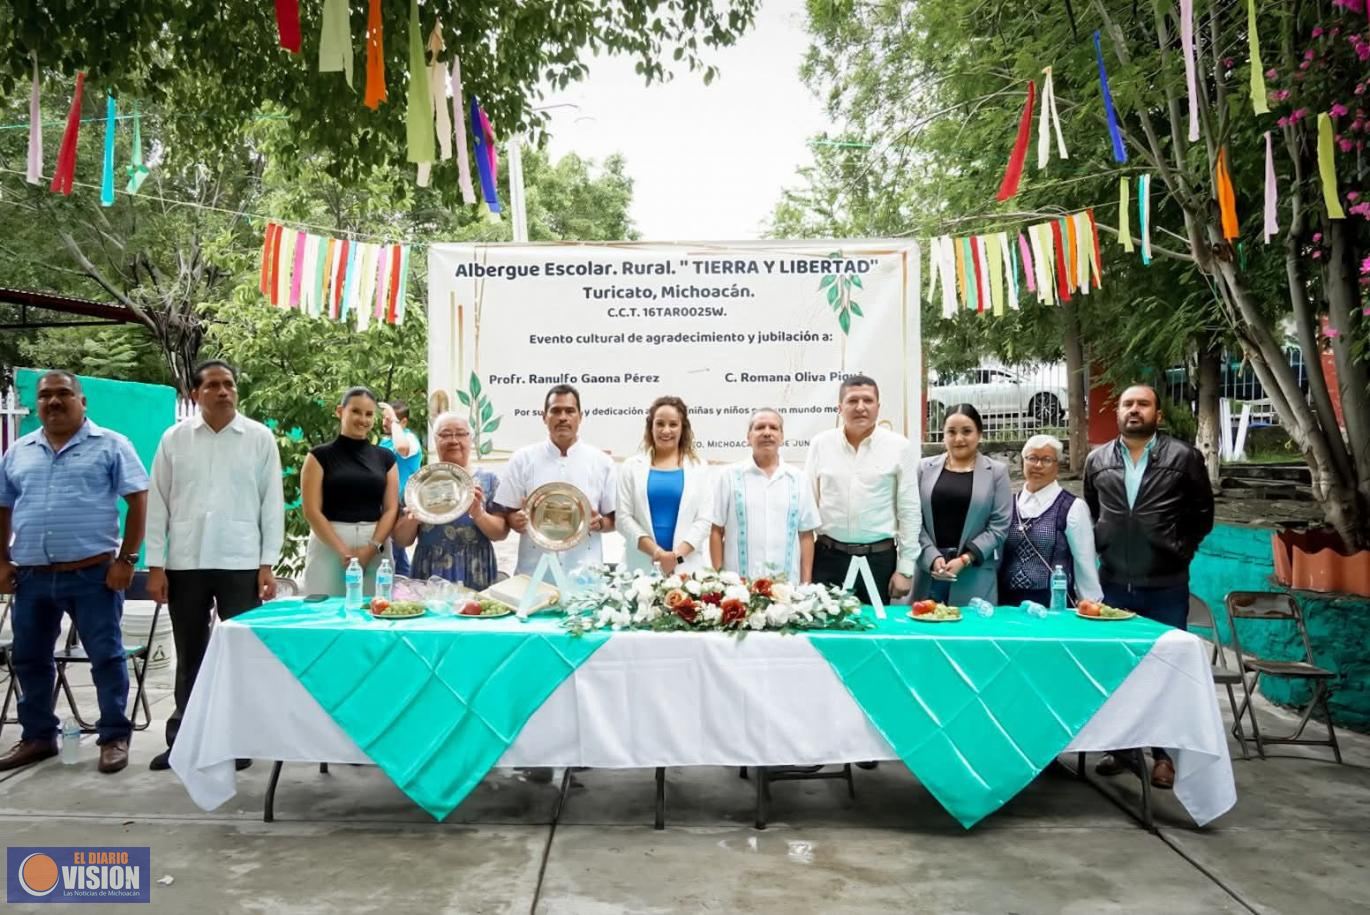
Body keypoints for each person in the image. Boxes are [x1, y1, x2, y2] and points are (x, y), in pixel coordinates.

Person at [0, 370, 148, 774]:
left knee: (106, 657)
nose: (54, 401)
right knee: (30, 658)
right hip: (30, 576)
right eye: (46, 395)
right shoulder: (19, 450)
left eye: (64, 393)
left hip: (94, 575)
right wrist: (1, 560)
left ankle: (114, 735)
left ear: (83, 402)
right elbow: (3, 507)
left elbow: (138, 502)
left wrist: (127, 561)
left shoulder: (111, 445)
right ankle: (38, 737)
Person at [143, 360, 284, 772]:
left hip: (241, 561)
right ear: (194, 394)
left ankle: (238, 740)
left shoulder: (258, 438)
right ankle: (182, 740)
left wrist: (266, 563)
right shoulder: (175, 439)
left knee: (239, 653)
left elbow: (271, 504)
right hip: (185, 562)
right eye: (214, 386)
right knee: (191, 653)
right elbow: (158, 504)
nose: (223, 392)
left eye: (229, 385)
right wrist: (155, 565)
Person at [1084, 384, 1215, 790]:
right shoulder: (1097, 460)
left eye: (1143, 404)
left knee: (1166, 670)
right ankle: (1121, 749)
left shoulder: (1184, 457)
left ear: (1158, 414)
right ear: (1118, 412)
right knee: (1118, 669)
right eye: (1127, 404)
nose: (1134, 410)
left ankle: (1163, 755)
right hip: (1114, 584)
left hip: (1165, 584)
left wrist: (1180, 549)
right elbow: (1092, 511)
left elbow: (1202, 514)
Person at [805, 374, 920, 605]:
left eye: (867, 401)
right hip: (828, 559)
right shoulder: (821, 444)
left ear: (878, 407)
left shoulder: (899, 447)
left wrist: (906, 569)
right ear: (840, 407)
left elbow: (909, 510)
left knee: (876, 633)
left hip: (878, 560)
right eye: (852, 401)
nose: (860, 407)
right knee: (825, 633)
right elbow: (807, 508)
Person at [496, 384, 616, 576]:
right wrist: (515, 520)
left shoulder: (601, 462)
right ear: (544, 417)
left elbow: (614, 518)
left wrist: (600, 523)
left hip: (584, 576)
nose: (563, 417)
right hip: (534, 575)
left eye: (570, 411)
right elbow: (507, 512)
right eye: (555, 411)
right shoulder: (523, 459)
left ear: (580, 416)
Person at [300, 387, 399, 596]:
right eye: (356, 411)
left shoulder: (386, 457)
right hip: (329, 544)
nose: (362, 419)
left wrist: (371, 549)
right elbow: (311, 510)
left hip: (376, 545)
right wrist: (343, 552)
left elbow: (391, 509)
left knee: (375, 612)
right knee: (324, 612)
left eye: (369, 414)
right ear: (340, 411)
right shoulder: (319, 456)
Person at [392, 413, 507, 588]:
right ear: (435, 440)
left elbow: (500, 533)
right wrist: (413, 519)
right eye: (445, 435)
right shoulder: (419, 483)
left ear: (471, 440)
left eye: (461, 434)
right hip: (430, 569)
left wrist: (479, 514)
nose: (454, 440)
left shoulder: (488, 480)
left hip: (476, 567)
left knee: (476, 615)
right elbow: (401, 540)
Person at [914, 403, 1011, 605]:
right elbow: (912, 519)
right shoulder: (924, 468)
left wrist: (965, 559)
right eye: (951, 432)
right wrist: (931, 556)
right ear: (943, 435)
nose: (959, 439)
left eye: (967, 431)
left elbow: (999, 527)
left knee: (969, 632)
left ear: (979, 434)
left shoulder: (996, 473)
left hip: (973, 572)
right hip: (928, 569)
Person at [708, 409, 821, 582]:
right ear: (748, 437)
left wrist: (806, 583)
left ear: (782, 437)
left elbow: (806, 534)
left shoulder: (798, 479)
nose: (767, 433)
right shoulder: (729, 476)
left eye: (773, 428)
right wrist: (719, 580)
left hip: (787, 590)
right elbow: (716, 530)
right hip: (739, 589)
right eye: (760, 427)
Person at [999, 434, 1103, 608]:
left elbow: (1084, 562)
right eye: (1032, 458)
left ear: (1057, 466)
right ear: (1023, 462)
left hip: (1053, 606)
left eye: (1047, 460)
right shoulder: (1007, 504)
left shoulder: (1072, 507)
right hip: (1007, 605)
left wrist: (1091, 603)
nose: (1038, 465)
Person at [616, 396, 713, 575]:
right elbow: (623, 519)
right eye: (660, 424)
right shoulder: (631, 466)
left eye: (673, 424)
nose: (666, 430)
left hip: (686, 568)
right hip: (640, 567)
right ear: (650, 427)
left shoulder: (700, 467)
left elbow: (704, 521)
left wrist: (676, 556)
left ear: (683, 428)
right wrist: (657, 553)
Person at [380, 400, 423, 577]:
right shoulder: (384, 443)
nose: (384, 422)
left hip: (400, 506)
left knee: (394, 554)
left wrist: (395, 423)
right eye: (384, 418)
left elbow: (402, 448)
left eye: (389, 419)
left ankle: (402, 588)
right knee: (392, 554)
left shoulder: (409, 438)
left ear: (403, 422)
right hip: (384, 505)